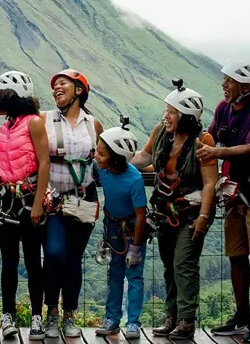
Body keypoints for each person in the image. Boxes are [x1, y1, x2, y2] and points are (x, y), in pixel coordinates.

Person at [197, 60, 250, 343]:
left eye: (229, 81)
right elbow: (212, 135)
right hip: (235, 189)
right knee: (236, 254)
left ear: (245, 87)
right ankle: (242, 315)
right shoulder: (224, 108)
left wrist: (216, 153)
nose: (223, 85)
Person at [131, 81, 218, 340]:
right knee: (170, 265)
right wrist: (117, 156)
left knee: (184, 264)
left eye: (171, 112)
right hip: (164, 212)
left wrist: (203, 217)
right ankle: (171, 316)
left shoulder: (203, 141)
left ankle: (186, 320)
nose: (165, 116)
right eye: (166, 110)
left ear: (186, 117)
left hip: (191, 213)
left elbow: (210, 182)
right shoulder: (161, 133)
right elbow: (145, 158)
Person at [0, 71, 50, 340]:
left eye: (0, 96)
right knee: (9, 262)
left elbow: (44, 162)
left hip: (28, 200)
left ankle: (36, 317)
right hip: (7, 202)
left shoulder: (34, 123)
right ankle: (7, 316)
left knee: (34, 261)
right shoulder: (2, 130)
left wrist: (38, 204)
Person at [41, 69, 104, 338]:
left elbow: (103, 158)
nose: (56, 88)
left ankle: (69, 315)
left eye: (62, 83)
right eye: (54, 85)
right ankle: (51, 313)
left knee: (73, 259)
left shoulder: (93, 124)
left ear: (79, 90)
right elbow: (36, 157)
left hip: (84, 200)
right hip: (53, 199)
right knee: (54, 254)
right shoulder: (45, 120)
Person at [94, 125, 147, 340]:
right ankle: (112, 319)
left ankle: (133, 322)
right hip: (113, 226)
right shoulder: (102, 168)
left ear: (116, 158)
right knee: (114, 273)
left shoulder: (134, 180)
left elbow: (141, 215)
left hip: (133, 228)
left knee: (134, 275)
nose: (96, 156)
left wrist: (135, 247)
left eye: (101, 154)